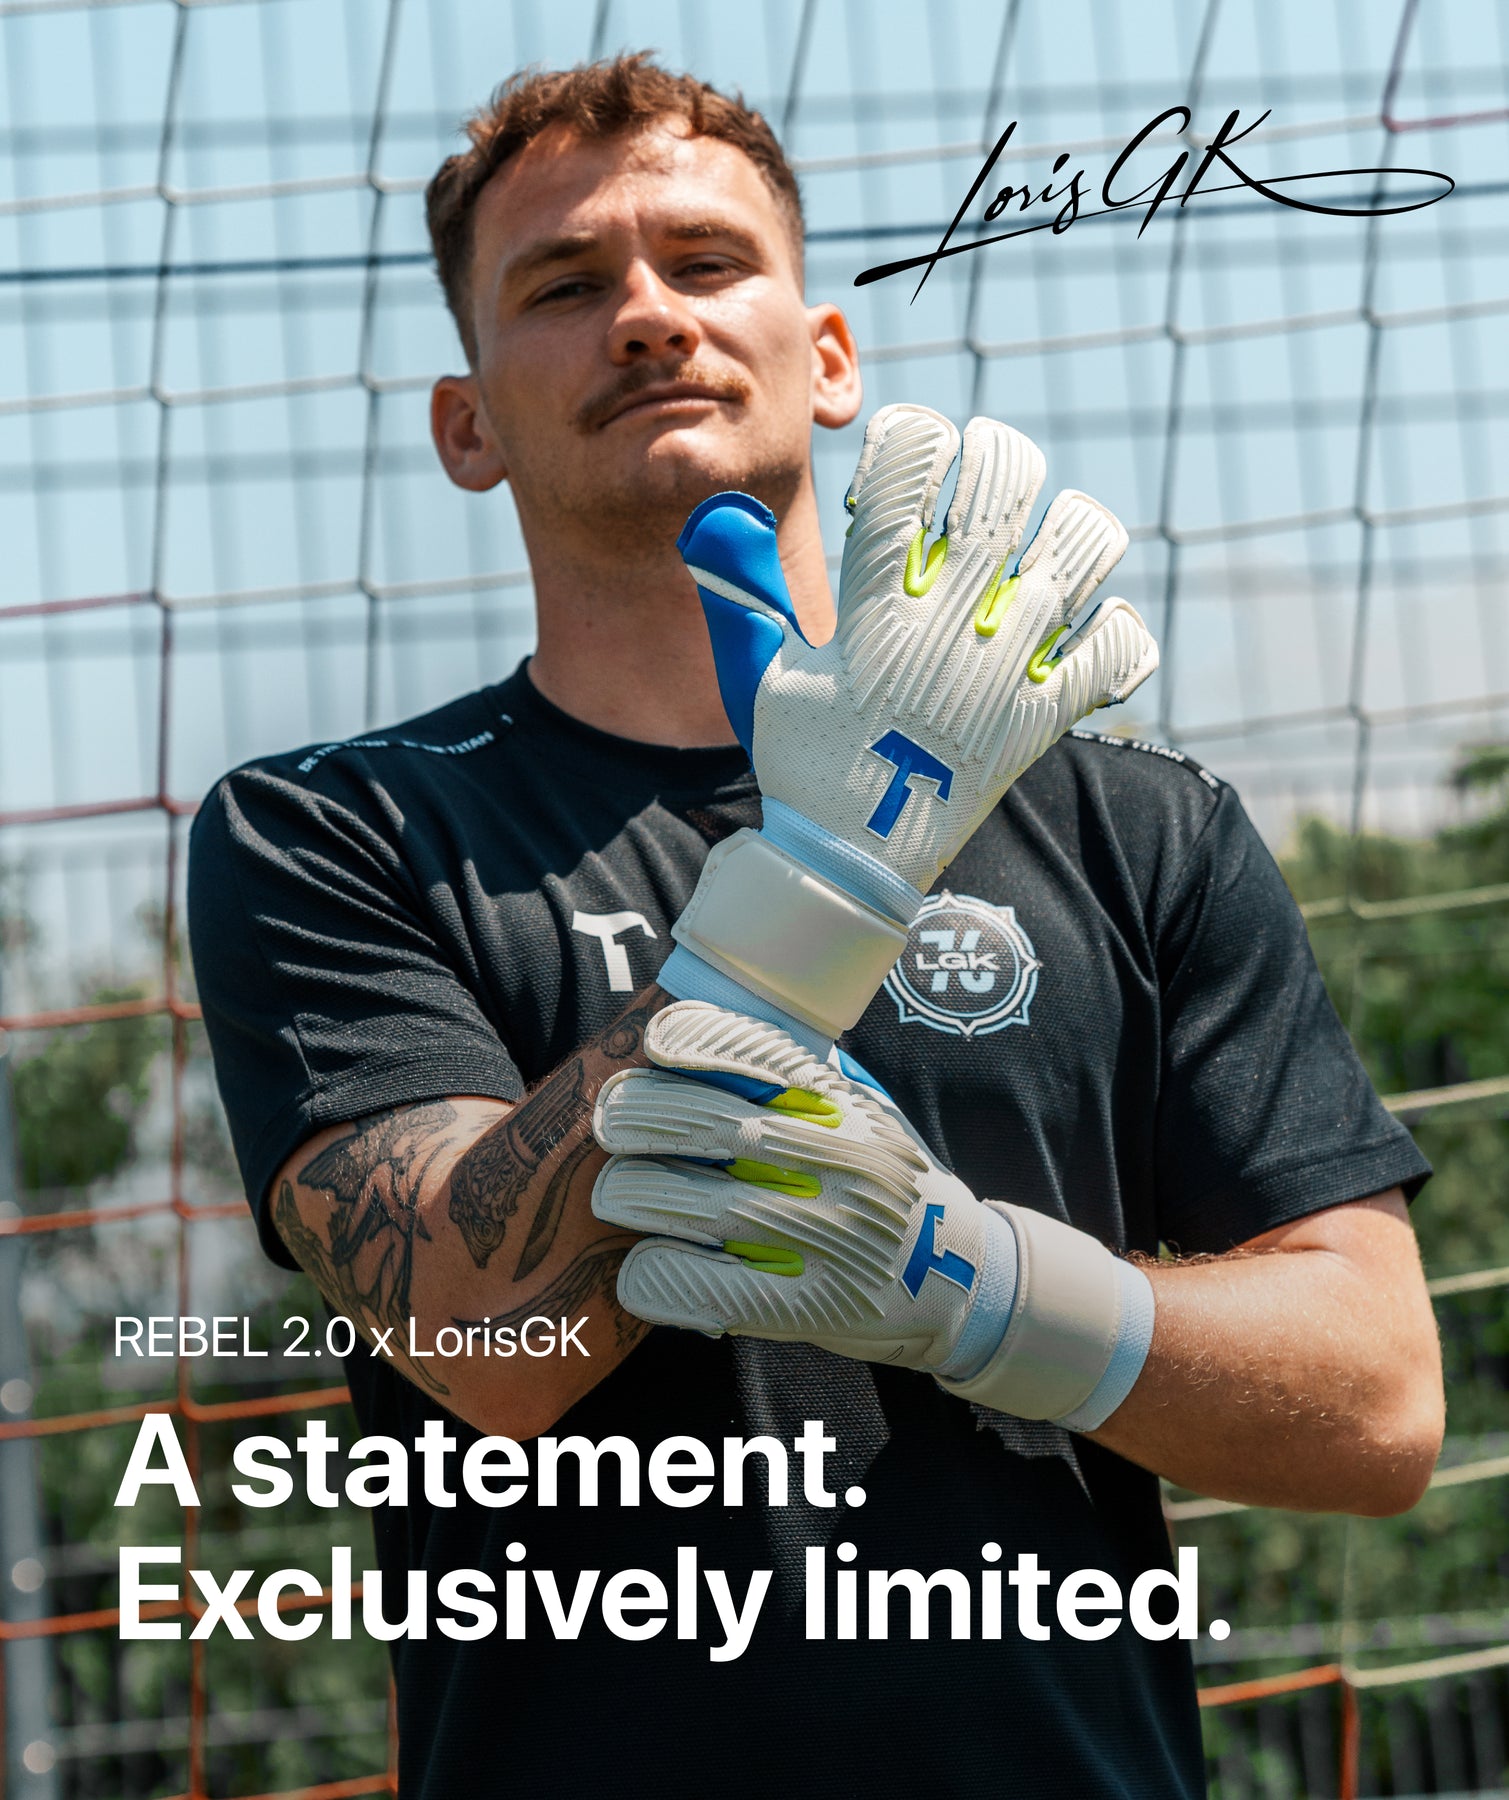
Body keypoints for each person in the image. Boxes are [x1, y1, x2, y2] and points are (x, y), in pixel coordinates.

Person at [188, 53, 1444, 1799]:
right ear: (465, 425)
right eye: (564, 284)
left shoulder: (1138, 821)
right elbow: (485, 1335)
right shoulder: (334, 829)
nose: (648, 315)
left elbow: (1376, 1408)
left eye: (707, 263)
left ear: (829, 355)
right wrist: (829, 875)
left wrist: (976, 1290)